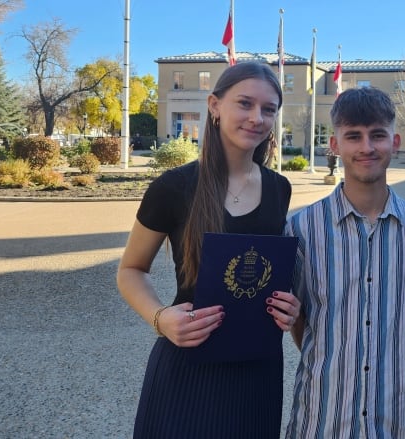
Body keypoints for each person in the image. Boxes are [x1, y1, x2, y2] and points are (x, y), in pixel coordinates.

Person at [117, 61, 300, 438]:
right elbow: (131, 270)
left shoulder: (279, 188)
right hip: (189, 364)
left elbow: (269, 274)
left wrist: (290, 306)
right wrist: (160, 319)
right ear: (215, 106)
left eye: (269, 110)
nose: (257, 118)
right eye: (245, 104)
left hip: (258, 371)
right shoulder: (173, 187)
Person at [284, 87, 405, 438]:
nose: (367, 147)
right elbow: (301, 318)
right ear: (335, 145)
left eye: (377, 135)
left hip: (398, 421)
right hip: (323, 418)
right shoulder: (301, 230)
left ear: (395, 141)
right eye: (353, 136)